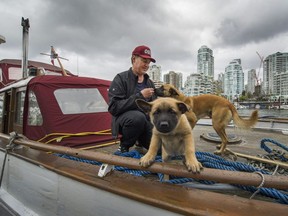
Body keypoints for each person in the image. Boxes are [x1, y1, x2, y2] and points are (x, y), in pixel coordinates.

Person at [108, 45, 157, 153]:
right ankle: (124, 145)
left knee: (160, 150)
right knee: (137, 117)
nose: (147, 65)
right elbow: (114, 107)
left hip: (146, 122)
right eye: (144, 61)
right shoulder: (120, 79)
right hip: (126, 121)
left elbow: (154, 106)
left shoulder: (149, 82)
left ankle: (140, 141)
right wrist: (140, 96)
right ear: (134, 59)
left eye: (148, 62)